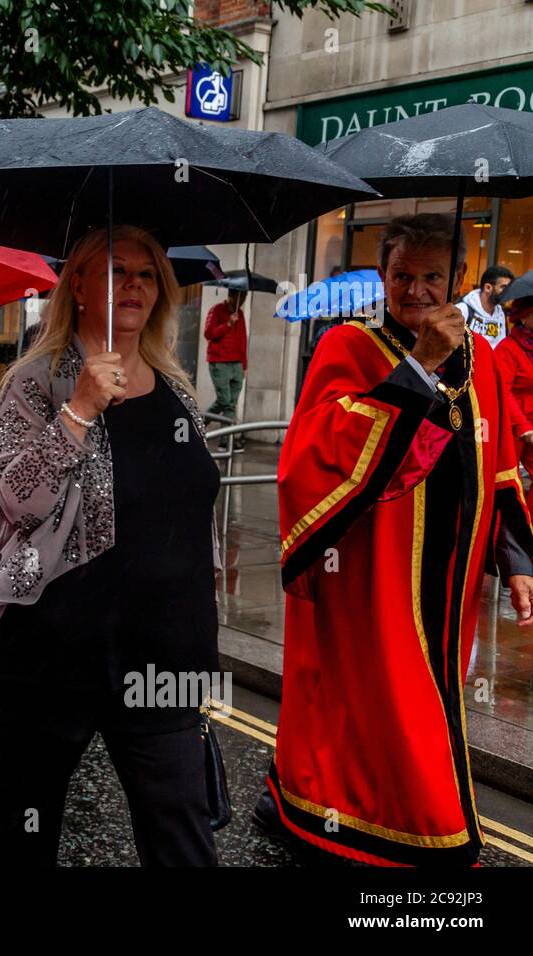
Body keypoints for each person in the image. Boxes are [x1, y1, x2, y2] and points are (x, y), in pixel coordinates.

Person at [0, 225, 222, 868]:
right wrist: (80, 411)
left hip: (164, 649)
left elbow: (196, 512)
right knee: (11, 831)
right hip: (56, 646)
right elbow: (13, 501)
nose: (132, 287)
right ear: (78, 286)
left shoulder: (177, 386)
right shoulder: (37, 381)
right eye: (114, 272)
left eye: (146, 274)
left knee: (181, 832)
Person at [260, 214, 533, 866]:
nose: (415, 291)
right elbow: (314, 458)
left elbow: (496, 472)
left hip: (451, 591)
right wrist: (420, 366)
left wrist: (518, 558)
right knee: (381, 711)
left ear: (459, 279)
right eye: (401, 275)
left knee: (430, 711)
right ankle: (397, 837)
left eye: (432, 277)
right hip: (369, 580)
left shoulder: (487, 360)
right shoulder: (346, 348)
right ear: (381, 277)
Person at [493, 293, 533, 474]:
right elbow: (503, 391)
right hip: (514, 427)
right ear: (523, 317)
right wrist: (522, 426)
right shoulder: (507, 348)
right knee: (507, 477)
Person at [204, 288, 247, 448]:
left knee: (231, 404)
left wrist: (244, 365)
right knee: (224, 400)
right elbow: (209, 333)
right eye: (240, 296)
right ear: (231, 295)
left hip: (237, 363)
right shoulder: (217, 311)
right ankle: (199, 423)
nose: (242, 300)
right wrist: (228, 324)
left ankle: (226, 441)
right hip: (220, 362)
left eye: (245, 297)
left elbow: (242, 340)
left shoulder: (240, 314)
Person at [458, 265, 514, 349]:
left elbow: (501, 345)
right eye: (504, 287)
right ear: (488, 287)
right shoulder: (463, 310)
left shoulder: (501, 313)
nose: (508, 292)